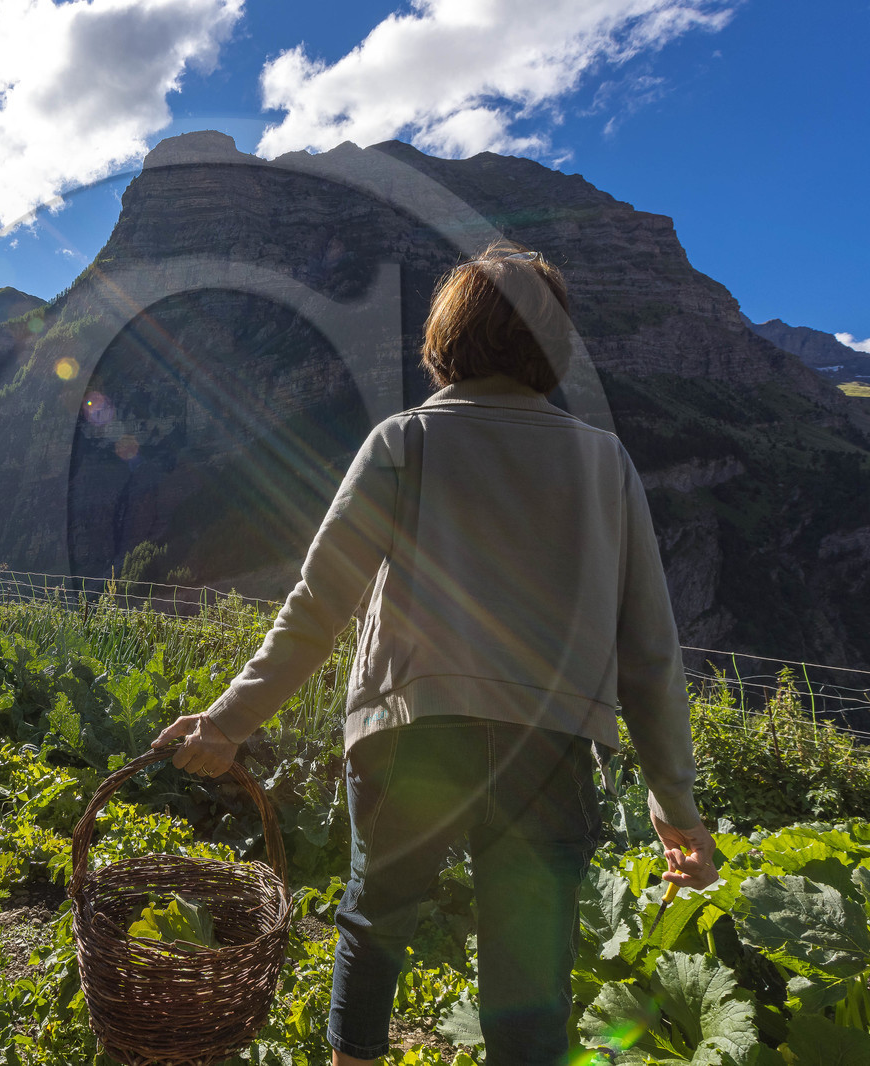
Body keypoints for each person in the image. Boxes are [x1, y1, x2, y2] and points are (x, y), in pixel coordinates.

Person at [153, 241, 719, 1066]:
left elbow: (319, 603)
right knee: (530, 977)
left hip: (410, 732)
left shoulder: (406, 440)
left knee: (374, 925)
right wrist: (675, 804)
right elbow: (650, 651)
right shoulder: (606, 461)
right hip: (552, 747)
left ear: (446, 338)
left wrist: (229, 722)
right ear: (553, 346)